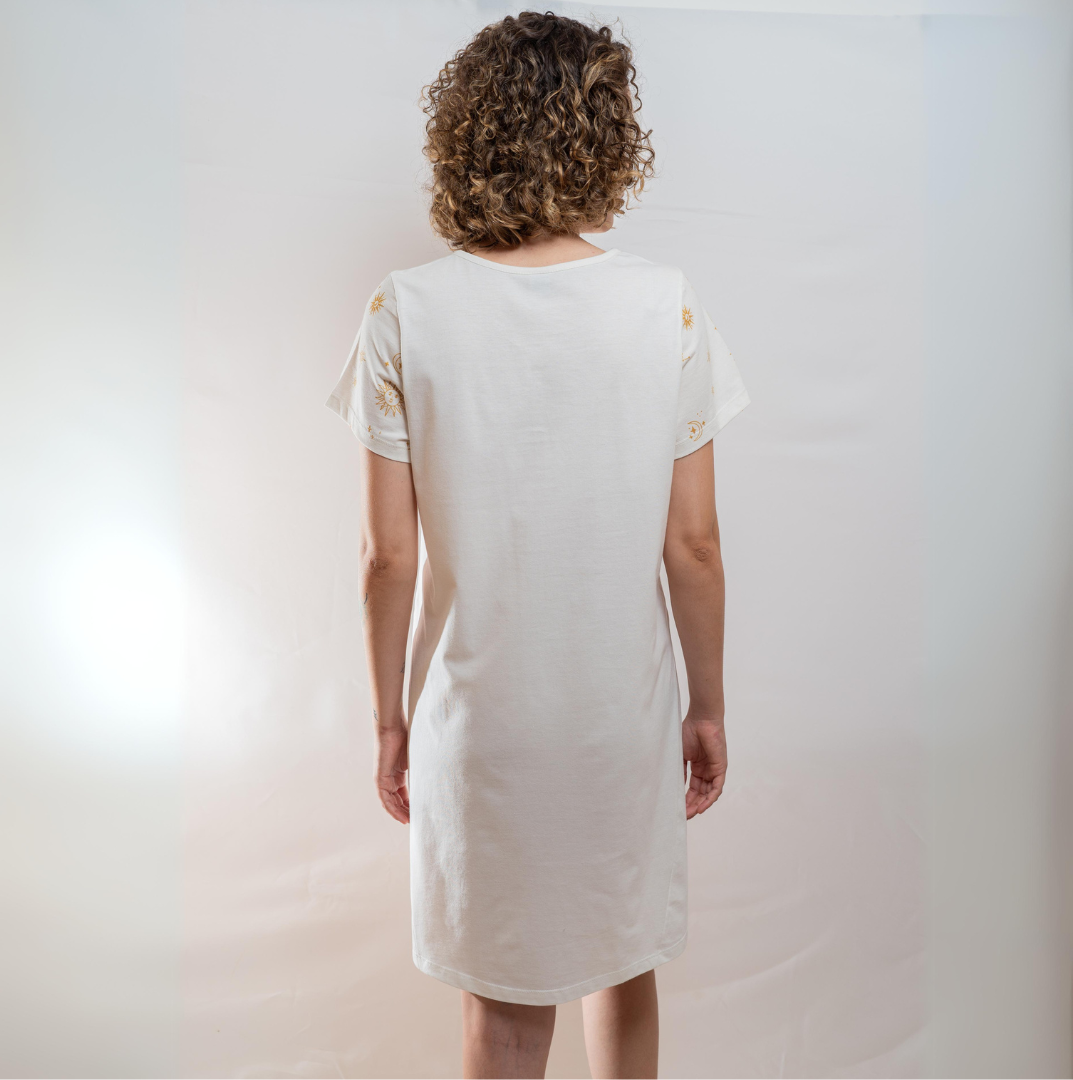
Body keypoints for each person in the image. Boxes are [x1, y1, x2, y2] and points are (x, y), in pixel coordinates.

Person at [325, 11, 749, 1079]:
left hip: (479, 724)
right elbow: (694, 544)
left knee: (505, 1009)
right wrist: (706, 706)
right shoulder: (665, 306)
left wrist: (389, 719)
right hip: (619, 715)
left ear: (467, 136)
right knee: (622, 963)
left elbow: (386, 559)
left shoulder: (404, 310)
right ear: (605, 138)